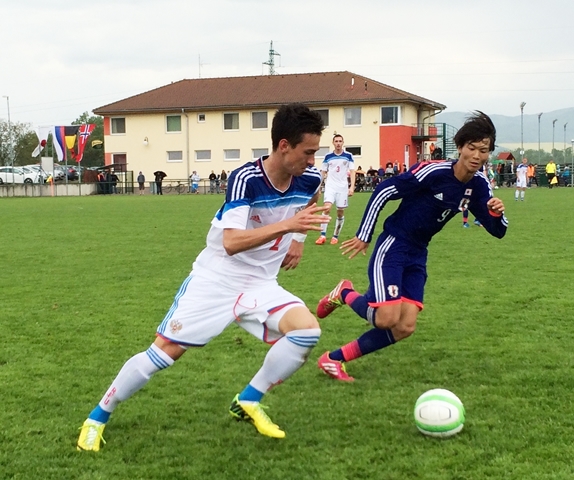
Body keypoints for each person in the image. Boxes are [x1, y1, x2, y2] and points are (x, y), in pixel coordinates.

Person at [77, 103, 330, 451]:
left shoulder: (310, 178)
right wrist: (288, 226)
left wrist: (298, 240)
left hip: (260, 283)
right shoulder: (247, 178)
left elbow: (311, 199)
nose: (312, 161)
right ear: (283, 145)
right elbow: (231, 243)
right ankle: (97, 417)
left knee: (306, 331)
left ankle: (248, 400)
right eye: (308, 152)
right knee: (164, 353)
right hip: (218, 278)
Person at [314, 111, 508, 382]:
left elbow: (498, 230)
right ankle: (344, 292)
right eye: (471, 148)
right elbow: (382, 192)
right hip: (394, 244)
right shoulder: (434, 172)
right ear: (461, 147)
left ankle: (333, 359)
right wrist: (364, 234)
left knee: (405, 326)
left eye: (483, 150)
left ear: (489, 153)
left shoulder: (478, 186)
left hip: (418, 253)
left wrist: (496, 212)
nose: (476, 155)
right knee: (386, 318)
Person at [315, 134, 356, 245]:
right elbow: (323, 172)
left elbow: (352, 172)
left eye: (340, 141)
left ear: (343, 143)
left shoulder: (348, 156)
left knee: (340, 212)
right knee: (327, 208)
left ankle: (335, 236)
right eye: (336, 141)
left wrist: (351, 187)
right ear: (333, 143)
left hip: (342, 188)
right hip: (330, 186)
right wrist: (319, 187)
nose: (338, 143)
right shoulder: (328, 156)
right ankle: (322, 235)